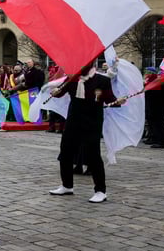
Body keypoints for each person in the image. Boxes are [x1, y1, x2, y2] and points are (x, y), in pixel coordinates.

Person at [49, 62, 122, 203]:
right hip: (73, 120)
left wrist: (118, 101)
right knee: (65, 152)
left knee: (93, 155)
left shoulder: (102, 80)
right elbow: (60, 92)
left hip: (92, 122)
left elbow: (109, 99)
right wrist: (55, 92)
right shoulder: (72, 78)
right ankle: (67, 185)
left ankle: (100, 191)